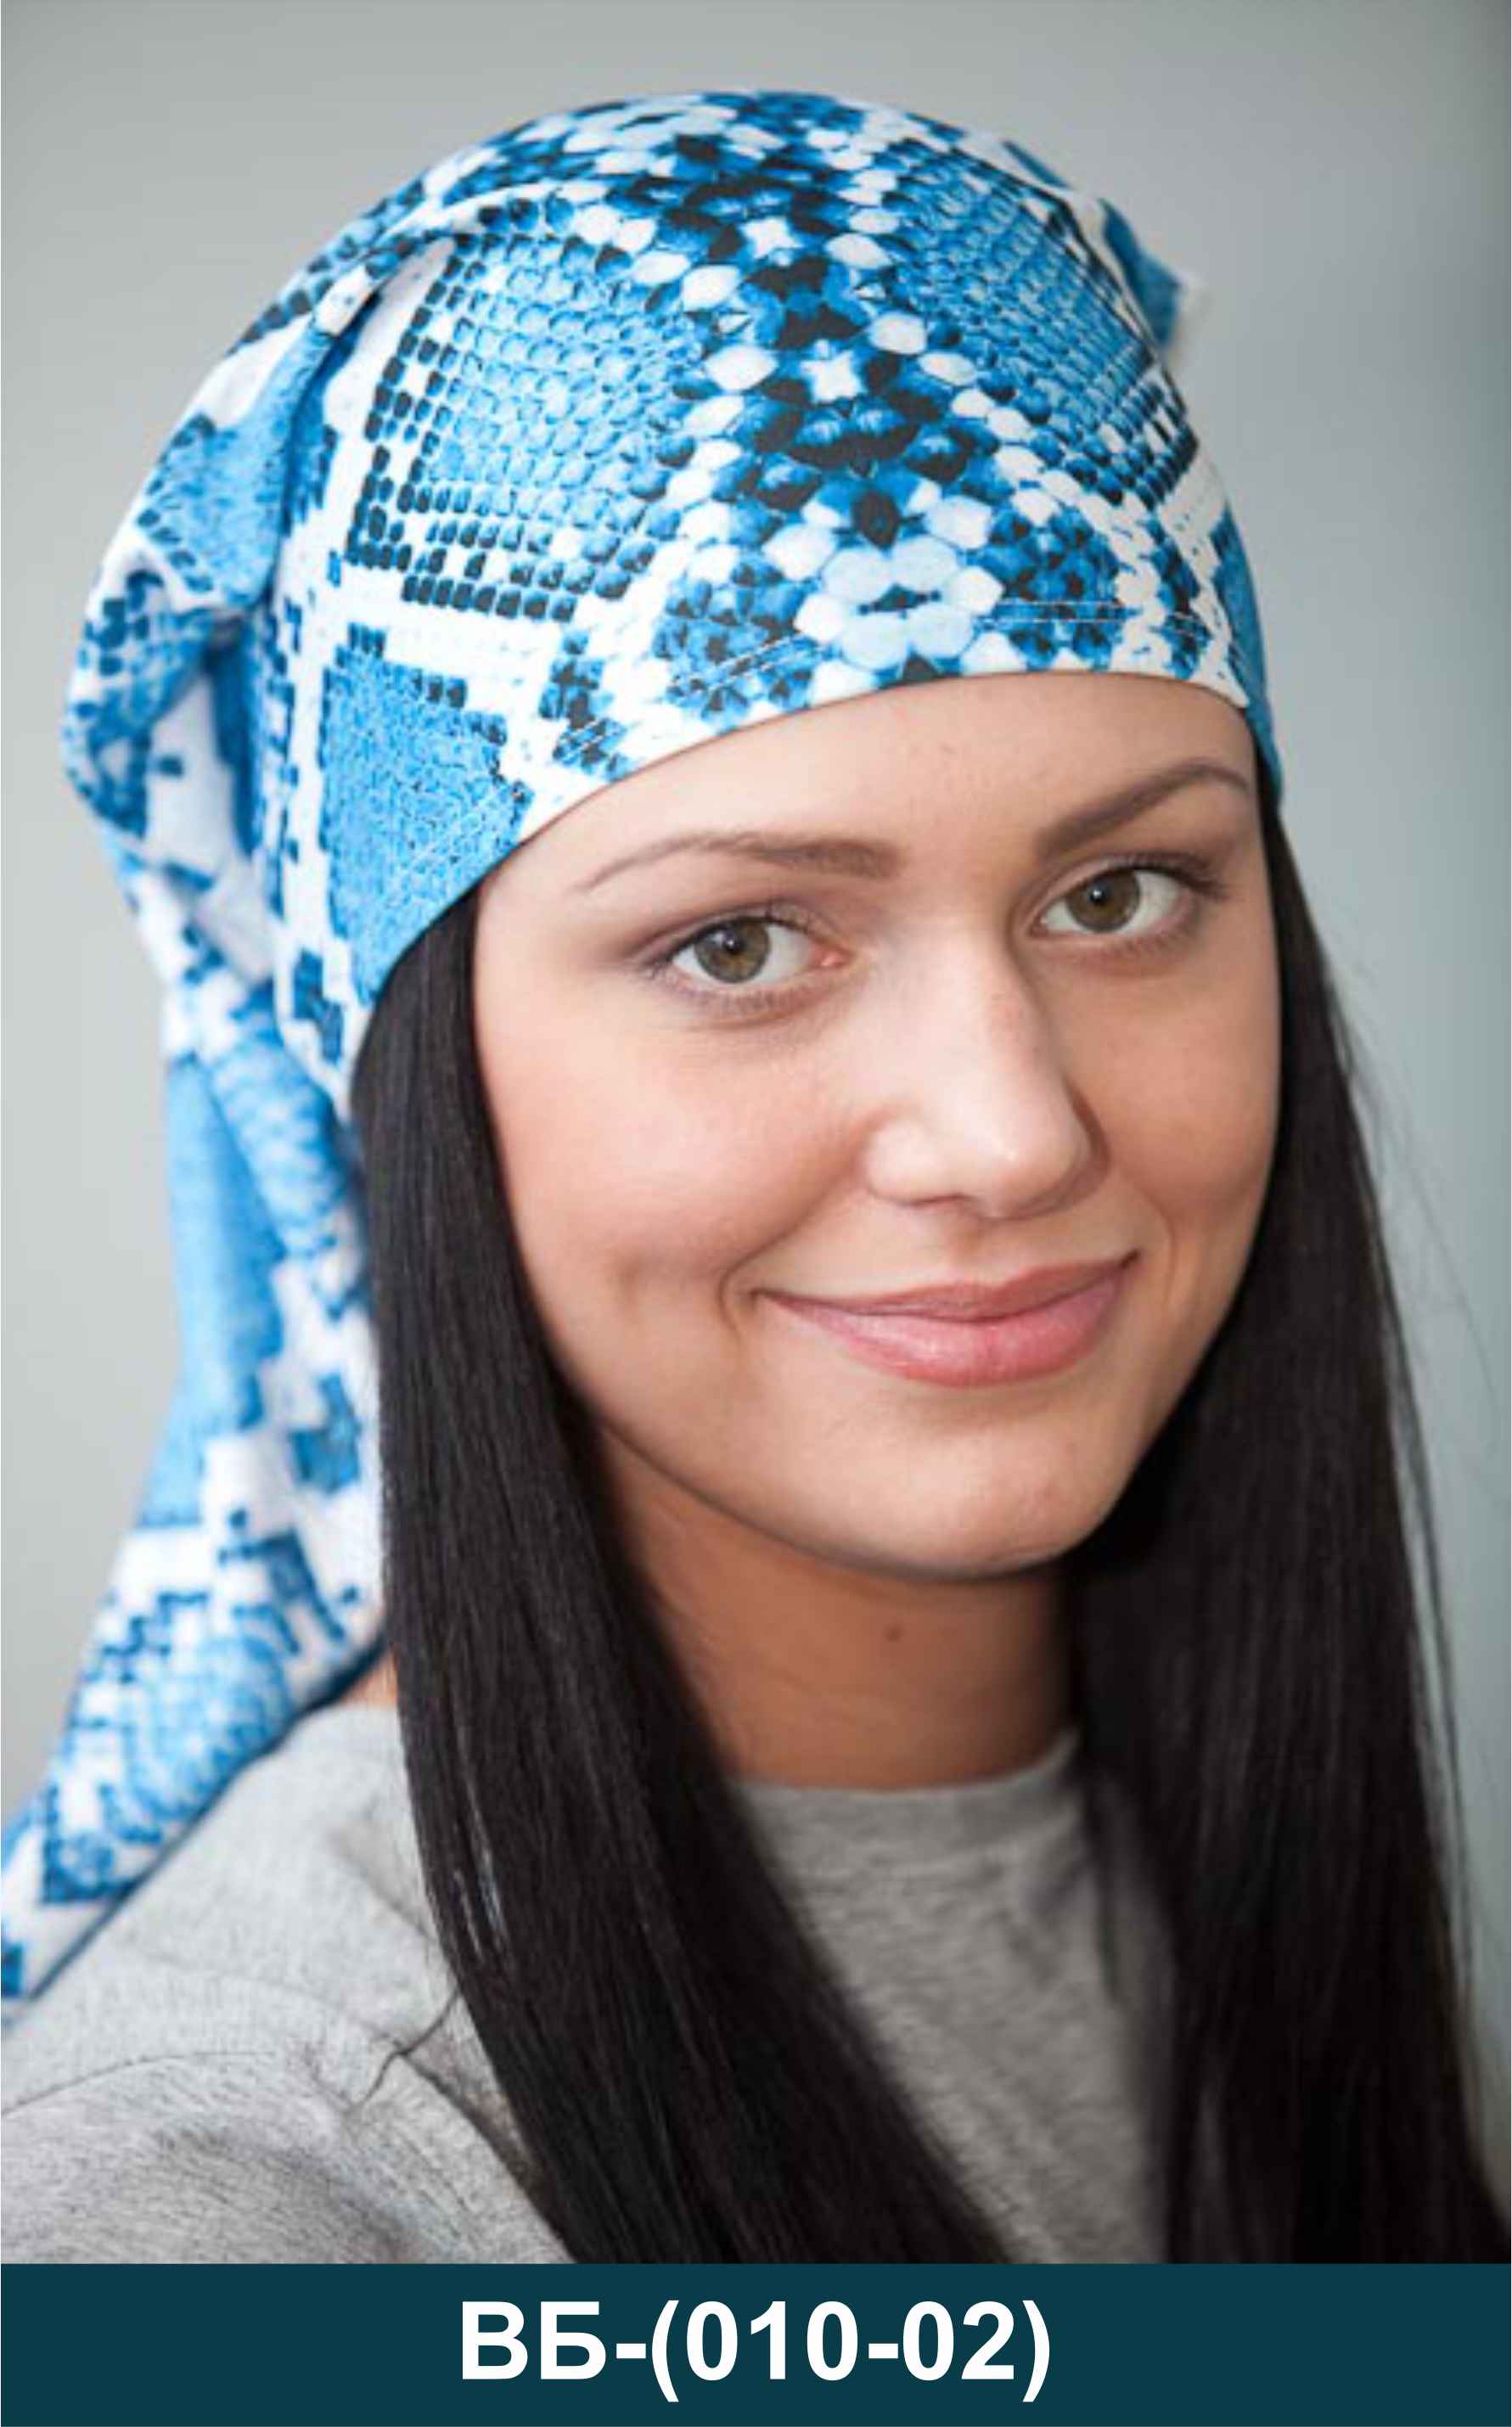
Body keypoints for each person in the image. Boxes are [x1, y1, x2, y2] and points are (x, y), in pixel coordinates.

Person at [1, 88, 1504, 2266]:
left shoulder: (1253, 1892)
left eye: (1120, 892)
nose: (1010, 1130)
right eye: (737, 943)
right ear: (416, 1073)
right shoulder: (241, 2185)